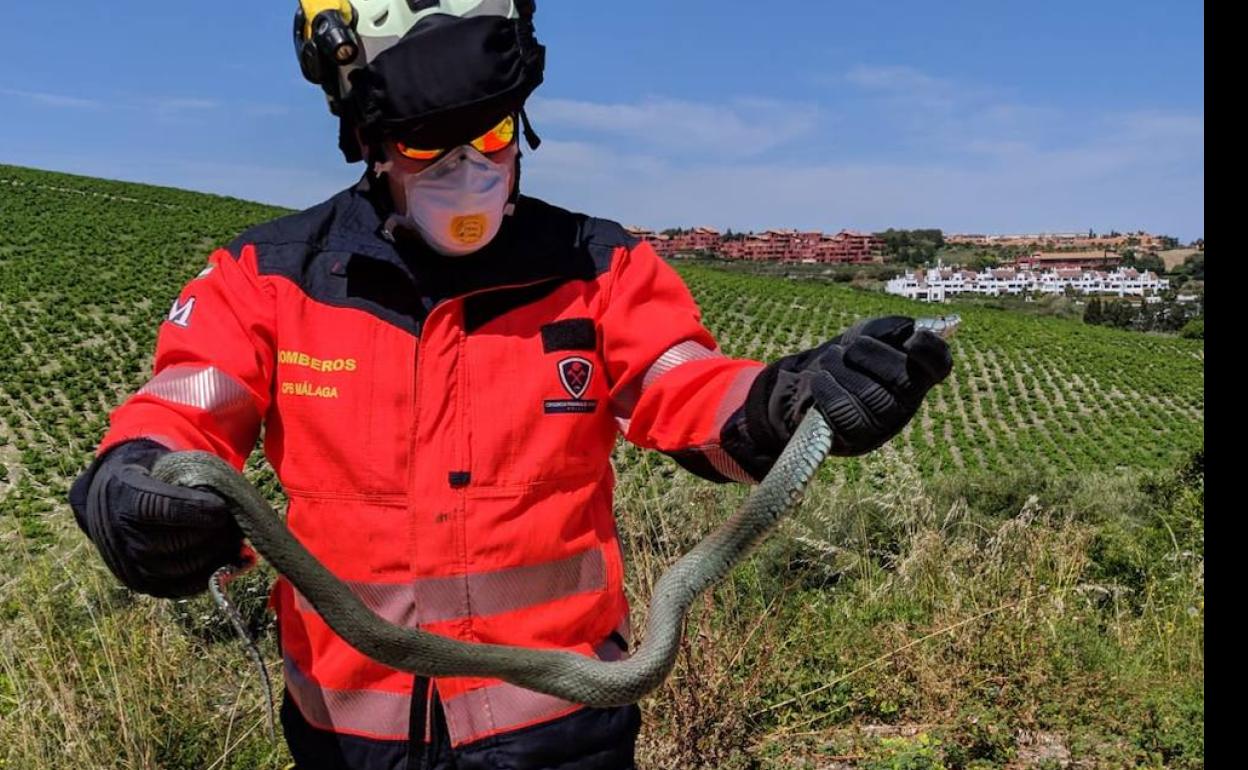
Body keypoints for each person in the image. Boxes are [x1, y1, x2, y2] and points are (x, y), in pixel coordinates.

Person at [68, 2, 952, 768]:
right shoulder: (270, 276)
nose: (469, 169)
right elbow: (185, 404)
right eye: (427, 143)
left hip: (562, 732)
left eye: (490, 134)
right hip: (347, 738)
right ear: (370, 144)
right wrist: (132, 480)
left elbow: (687, 389)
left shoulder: (598, 267)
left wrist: (788, 399)